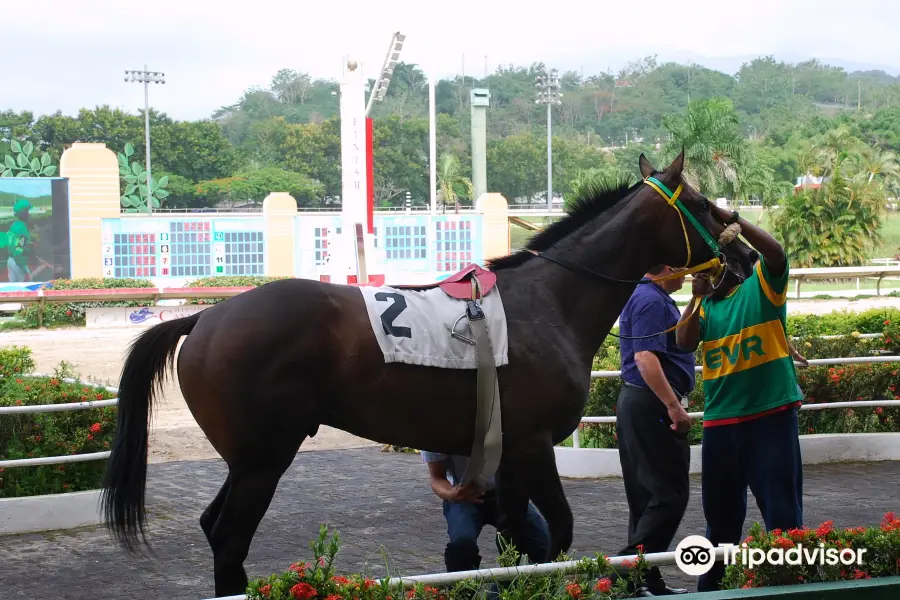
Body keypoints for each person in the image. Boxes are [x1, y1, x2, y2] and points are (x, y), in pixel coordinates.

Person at [675, 206, 806, 592]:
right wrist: (695, 298)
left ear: (732, 266)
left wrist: (734, 221)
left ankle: (789, 585)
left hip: (770, 419)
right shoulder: (708, 307)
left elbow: (776, 254)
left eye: (711, 268)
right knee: (720, 524)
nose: (707, 276)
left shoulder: (763, 289)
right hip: (720, 425)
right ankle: (712, 589)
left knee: (782, 520)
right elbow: (683, 341)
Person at [613, 264, 694, 596]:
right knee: (669, 494)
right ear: (668, 267)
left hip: (638, 402)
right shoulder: (651, 300)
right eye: (684, 268)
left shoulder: (646, 295)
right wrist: (673, 405)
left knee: (646, 498)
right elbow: (646, 357)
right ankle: (623, 570)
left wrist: (698, 299)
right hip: (651, 403)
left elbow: (676, 339)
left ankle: (643, 580)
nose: (688, 274)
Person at [420, 451, 550, 573]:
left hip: (504, 493)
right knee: (462, 544)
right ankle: (461, 591)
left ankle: (502, 591)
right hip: (463, 497)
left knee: (543, 542)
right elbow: (436, 477)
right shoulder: (437, 428)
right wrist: (451, 494)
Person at [6, 199, 33, 282]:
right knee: (27, 288)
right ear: (23, 214)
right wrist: (25, 270)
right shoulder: (22, 229)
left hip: (10, 261)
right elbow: (18, 250)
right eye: (27, 212)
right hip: (18, 262)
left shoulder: (14, 226)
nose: (29, 214)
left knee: (13, 289)